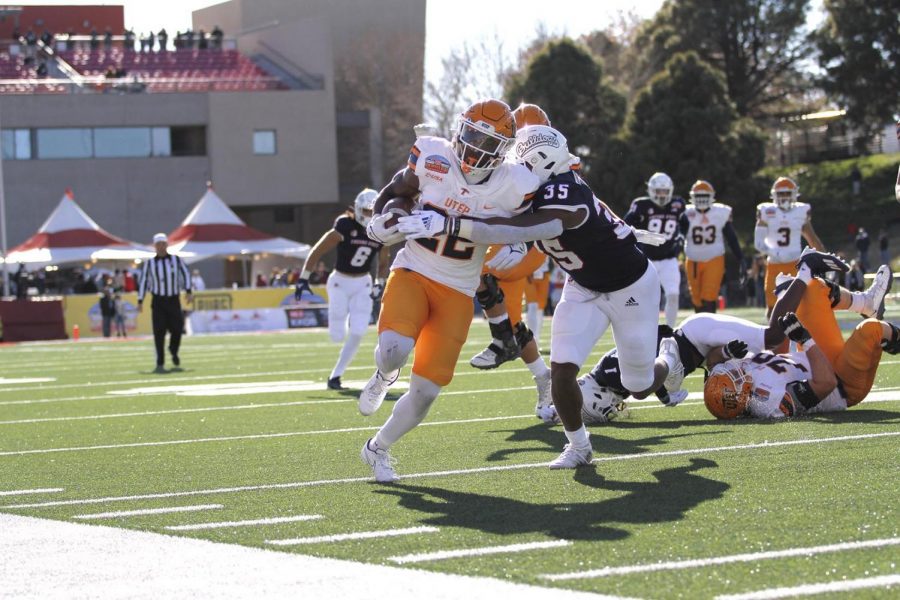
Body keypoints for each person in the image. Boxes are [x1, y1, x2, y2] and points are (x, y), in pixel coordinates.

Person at [397, 123, 684, 470]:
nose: (512, 168)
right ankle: (579, 447)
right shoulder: (536, 185)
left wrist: (456, 227)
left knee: (637, 386)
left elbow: (537, 226)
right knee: (561, 371)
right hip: (582, 286)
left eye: (521, 162)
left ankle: (669, 362)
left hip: (631, 287)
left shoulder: (564, 193)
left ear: (542, 164)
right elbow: (491, 206)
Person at [357, 99, 542, 482]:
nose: (475, 148)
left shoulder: (514, 183)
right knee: (393, 352)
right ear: (459, 130)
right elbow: (398, 190)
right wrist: (385, 218)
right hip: (414, 268)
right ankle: (383, 375)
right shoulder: (433, 155)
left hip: (458, 289)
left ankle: (377, 449)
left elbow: (533, 222)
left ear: (503, 150)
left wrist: (519, 243)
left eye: (487, 142)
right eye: (472, 135)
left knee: (425, 393)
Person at [579, 249, 891, 422]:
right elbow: (822, 383)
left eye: (728, 376)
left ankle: (819, 277)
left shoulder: (741, 386)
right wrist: (725, 355)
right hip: (830, 376)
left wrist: (682, 362)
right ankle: (862, 302)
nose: (734, 374)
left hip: (695, 338)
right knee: (855, 323)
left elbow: (655, 381)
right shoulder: (765, 401)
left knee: (773, 331)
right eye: (732, 381)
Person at [704, 309, 899, 420]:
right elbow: (826, 383)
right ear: (740, 393)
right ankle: (891, 338)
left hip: (816, 354)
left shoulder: (733, 385)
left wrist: (724, 352)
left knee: (809, 287)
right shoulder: (768, 402)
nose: (731, 369)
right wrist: (805, 340)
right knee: (872, 329)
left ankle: (867, 303)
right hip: (843, 383)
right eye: (731, 377)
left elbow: (712, 361)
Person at [295, 189, 390, 390]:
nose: (368, 215)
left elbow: (383, 262)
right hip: (339, 281)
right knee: (337, 334)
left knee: (358, 331)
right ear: (356, 209)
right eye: (365, 210)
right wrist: (304, 277)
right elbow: (318, 249)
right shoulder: (345, 225)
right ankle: (340, 322)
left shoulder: (379, 230)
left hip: (363, 282)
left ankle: (335, 376)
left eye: (372, 211)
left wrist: (379, 283)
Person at [754, 176, 825, 316]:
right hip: (774, 265)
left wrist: (824, 259)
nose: (784, 197)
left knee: (797, 309)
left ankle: (795, 338)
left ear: (794, 195)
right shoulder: (766, 211)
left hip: (795, 266)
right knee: (772, 310)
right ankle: (774, 338)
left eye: (787, 193)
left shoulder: (800, 212)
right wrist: (775, 253)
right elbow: (758, 243)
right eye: (781, 193)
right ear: (774, 195)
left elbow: (813, 239)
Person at [624, 172, 686, 327]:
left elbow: (685, 223)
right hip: (647, 259)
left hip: (669, 259)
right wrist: (640, 238)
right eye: (659, 191)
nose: (662, 195)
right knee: (645, 298)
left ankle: (670, 330)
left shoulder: (677, 204)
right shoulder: (642, 205)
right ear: (651, 190)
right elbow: (625, 225)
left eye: (665, 191)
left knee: (673, 295)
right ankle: (645, 327)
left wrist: (682, 236)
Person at [679, 180, 744, 313]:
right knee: (696, 298)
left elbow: (731, 237)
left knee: (709, 296)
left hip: (714, 258)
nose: (702, 200)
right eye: (698, 196)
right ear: (692, 197)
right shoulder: (686, 213)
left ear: (711, 197)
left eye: (704, 196)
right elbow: (680, 236)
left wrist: (740, 257)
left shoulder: (720, 212)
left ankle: (709, 328)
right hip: (693, 260)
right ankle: (700, 328)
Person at [138, 233, 192, 373]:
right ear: (154, 246)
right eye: (158, 245)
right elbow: (144, 281)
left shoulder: (176, 259)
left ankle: (173, 350)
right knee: (159, 332)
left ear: (167, 245)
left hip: (173, 299)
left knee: (178, 328)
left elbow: (185, 274)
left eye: (163, 244)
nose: (161, 247)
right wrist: (140, 300)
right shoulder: (149, 263)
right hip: (158, 301)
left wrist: (188, 291)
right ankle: (160, 362)